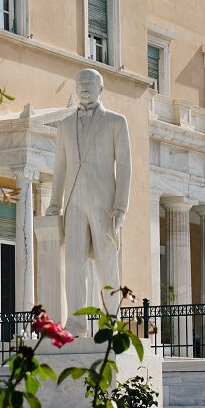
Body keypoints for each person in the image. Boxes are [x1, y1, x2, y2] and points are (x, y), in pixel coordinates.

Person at [45, 69, 132, 335]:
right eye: (80, 84)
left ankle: (111, 322)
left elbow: (126, 167)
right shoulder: (65, 125)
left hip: (104, 203)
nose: (83, 88)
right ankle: (76, 322)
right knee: (73, 264)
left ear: (100, 88)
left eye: (89, 84)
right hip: (73, 202)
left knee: (107, 264)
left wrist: (120, 207)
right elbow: (59, 168)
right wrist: (54, 204)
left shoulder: (116, 122)